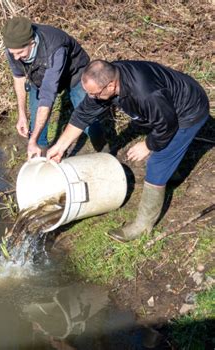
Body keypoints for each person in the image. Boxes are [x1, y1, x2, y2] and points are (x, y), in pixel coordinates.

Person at [47, 59, 210, 242]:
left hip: (188, 112)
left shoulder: (146, 93)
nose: (91, 97)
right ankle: (173, 173)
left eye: (94, 94)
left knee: (157, 161)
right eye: (88, 93)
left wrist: (148, 145)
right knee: (164, 150)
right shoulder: (106, 80)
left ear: (111, 85)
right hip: (166, 107)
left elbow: (167, 125)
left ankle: (142, 226)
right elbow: (83, 114)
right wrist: (59, 147)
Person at [1, 17, 106, 159]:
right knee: (35, 125)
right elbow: (19, 76)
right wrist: (22, 115)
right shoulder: (14, 47)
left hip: (74, 74)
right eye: (13, 53)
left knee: (88, 118)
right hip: (37, 75)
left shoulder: (55, 48)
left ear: (31, 43)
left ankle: (105, 153)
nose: (16, 57)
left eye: (20, 53)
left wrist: (30, 140)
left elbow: (47, 96)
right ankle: (42, 158)